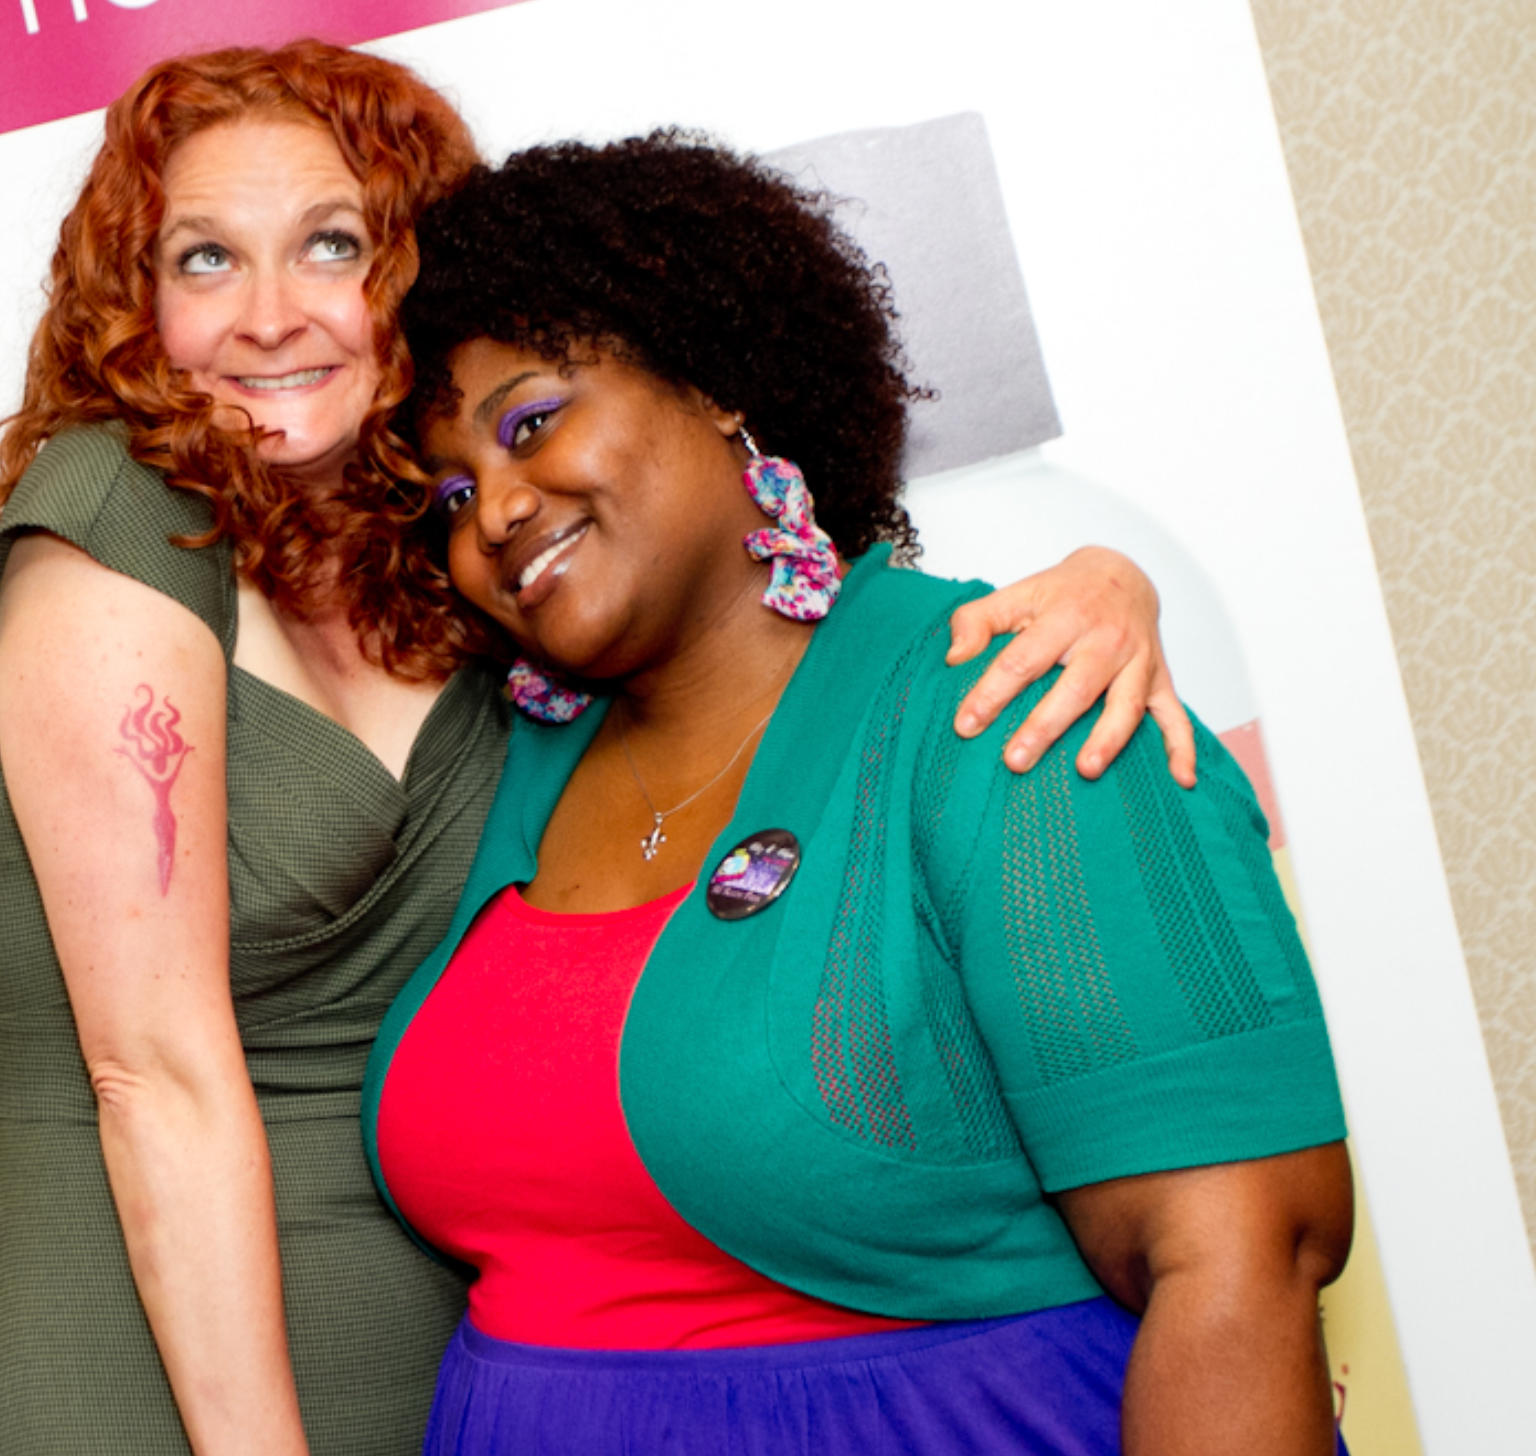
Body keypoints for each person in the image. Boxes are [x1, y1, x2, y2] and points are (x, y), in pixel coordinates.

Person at [0, 42, 1197, 1456]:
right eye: (206, 260)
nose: (271, 316)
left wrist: (1098, 582)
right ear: (135, 299)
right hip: (160, 1376)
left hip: (469, 1358)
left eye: (331, 246)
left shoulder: (472, 578)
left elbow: (773, 637)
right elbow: (149, 1068)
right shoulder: (113, 510)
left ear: (409, 274)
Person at [360, 132, 1354, 1456]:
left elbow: (1237, 1266)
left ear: (713, 379)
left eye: (532, 422)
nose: (492, 513)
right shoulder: (495, 770)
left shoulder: (1016, 704)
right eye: (450, 495)